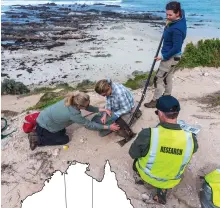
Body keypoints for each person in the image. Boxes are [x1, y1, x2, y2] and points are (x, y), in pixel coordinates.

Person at [129, 95, 198, 204]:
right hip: (172, 180)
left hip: (148, 176)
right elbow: (193, 150)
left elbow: (133, 153)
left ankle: (140, 179)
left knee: (136, 159)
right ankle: (161, 193)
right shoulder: (191, 138)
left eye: (157, 112)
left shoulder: (148, 133)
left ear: (160, 113)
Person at [28, 92, 120, 150]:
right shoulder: (74, 114)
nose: (88, 106)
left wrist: (102, 110)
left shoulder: (69, 100)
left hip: (42, 118)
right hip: (46, 126)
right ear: (79, 106)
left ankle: (37, 132)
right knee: (65, 139)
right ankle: (37, 139)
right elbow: (89, 124)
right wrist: (108, 127)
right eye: (86, 105)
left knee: (63, 131)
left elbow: (87, 107)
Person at [144, 1, 187, 108]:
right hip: (174, 56)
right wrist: (169, 22)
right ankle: (167, 96)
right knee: (168, 77)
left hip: (170, 57)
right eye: (166, 14)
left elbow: (176, 47)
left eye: (170, 15)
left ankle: (156, 100)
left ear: (177, 13)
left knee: (158, 79)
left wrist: (163, 57)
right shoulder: (180, 16)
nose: (167, 16)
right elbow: (183, 11)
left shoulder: (177, 29)